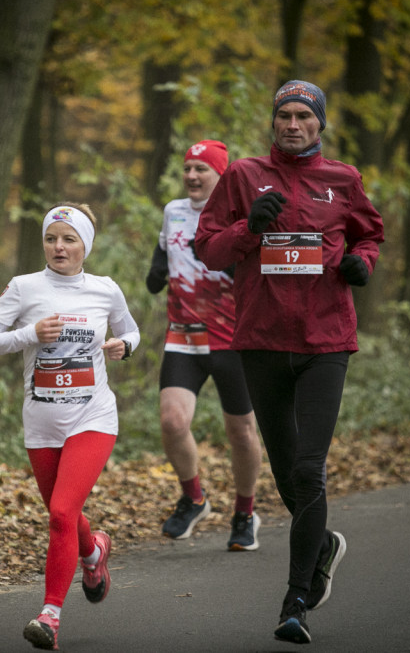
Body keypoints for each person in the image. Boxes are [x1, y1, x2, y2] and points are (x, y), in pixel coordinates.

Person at [195, 80, 384, 644]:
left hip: (326, 342)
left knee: (309, 468)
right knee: (286, 475)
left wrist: (360, 265)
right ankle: (320, 541)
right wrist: (249, 227)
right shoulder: (244, 176)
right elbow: (208, 248)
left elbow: (369, 237)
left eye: (304, 116)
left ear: (320, 124)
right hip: (262, 340)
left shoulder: (342, 179)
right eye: (285, 116)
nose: (293, 125)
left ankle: (296, 599)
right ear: (273, 123)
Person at [0, 203, 140, 651]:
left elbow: (132, 332)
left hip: (93, 416)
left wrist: (122, 345)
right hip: (42, 421)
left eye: (69, 239)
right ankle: (93, 553)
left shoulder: (105, 290)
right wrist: (30, 334)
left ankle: (49, 615)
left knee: (61, 513)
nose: (59, 247)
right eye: (51, 238)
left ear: (85, 245)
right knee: (63, 514)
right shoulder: (23, 287)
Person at [146, 140, 263, 549]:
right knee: (172, 422)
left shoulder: (239, 216)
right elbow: (164, 249)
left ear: (222, 175)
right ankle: (194, 499)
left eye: (202, 169)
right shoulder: (174, 211)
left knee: (242, 432)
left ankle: (245, 512)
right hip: (183, 335)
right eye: (188, 168)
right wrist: (157, 271)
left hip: (233, 338)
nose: (192, 176)